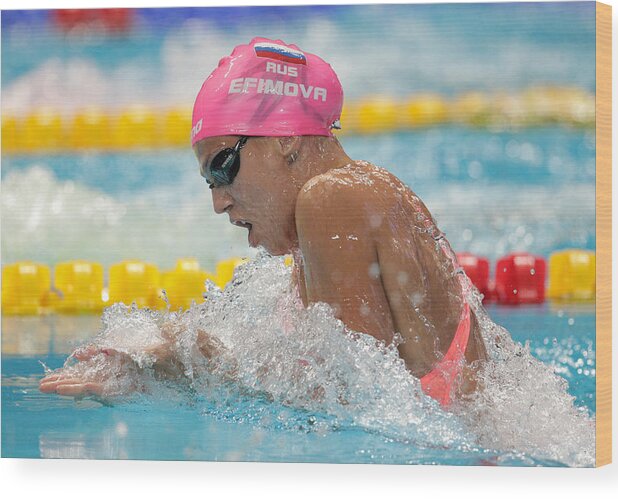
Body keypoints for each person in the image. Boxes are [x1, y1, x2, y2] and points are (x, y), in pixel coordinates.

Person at [40, 37, 487, 407]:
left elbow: (352, 399)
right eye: (209, 182)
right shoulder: (361, 197)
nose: (218, 201)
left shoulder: (331, 197)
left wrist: (183, 361)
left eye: (222, 167)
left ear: (286, 140)